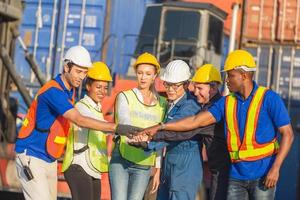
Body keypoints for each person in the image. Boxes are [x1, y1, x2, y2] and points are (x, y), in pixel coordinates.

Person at [140, 50, 294, 200]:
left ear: (244, 75)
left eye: (230, 75)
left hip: (261, 173)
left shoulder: (269, 98)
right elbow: (195, 121)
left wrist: (275, 168)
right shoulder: (226, 103)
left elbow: (288, 134)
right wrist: (160, 126)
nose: (226, 80)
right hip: (236, 175)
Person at [15, 45, 140, 200]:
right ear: (66, 67)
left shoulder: (68, 90)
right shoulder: (54, 92)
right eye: (78, 71)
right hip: (31, 157)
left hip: (48, 158)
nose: (81, 77)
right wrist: (117, 128)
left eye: (84, 72)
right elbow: (79, 120)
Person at [109, 52, 167, 200]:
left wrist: (158, 168)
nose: (143, 77)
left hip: (144, 163)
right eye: (140, 73)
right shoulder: (125, 96)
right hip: (121, 159)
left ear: (155, 76)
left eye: (148, 74)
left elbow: (160, 138)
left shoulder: (162, 104)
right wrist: (136, 138)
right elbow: (124, 120)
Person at [143, 59, 203, 200]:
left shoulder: (190, 106)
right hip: (170, 162)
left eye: (175, 86)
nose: (170, 89)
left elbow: (171, 133)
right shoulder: (171, 104)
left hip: (185, 166)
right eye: (167, 84)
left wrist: (148, 143)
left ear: (187, 84)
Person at [61, 61, 112, 200]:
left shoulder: (97, 109)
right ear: (88, 86)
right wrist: (119, 129)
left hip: (92, 167)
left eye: (105, 88)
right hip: (78, 165)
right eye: (98, 87)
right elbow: (100, 125)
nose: (102, 91)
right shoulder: (81, 107)